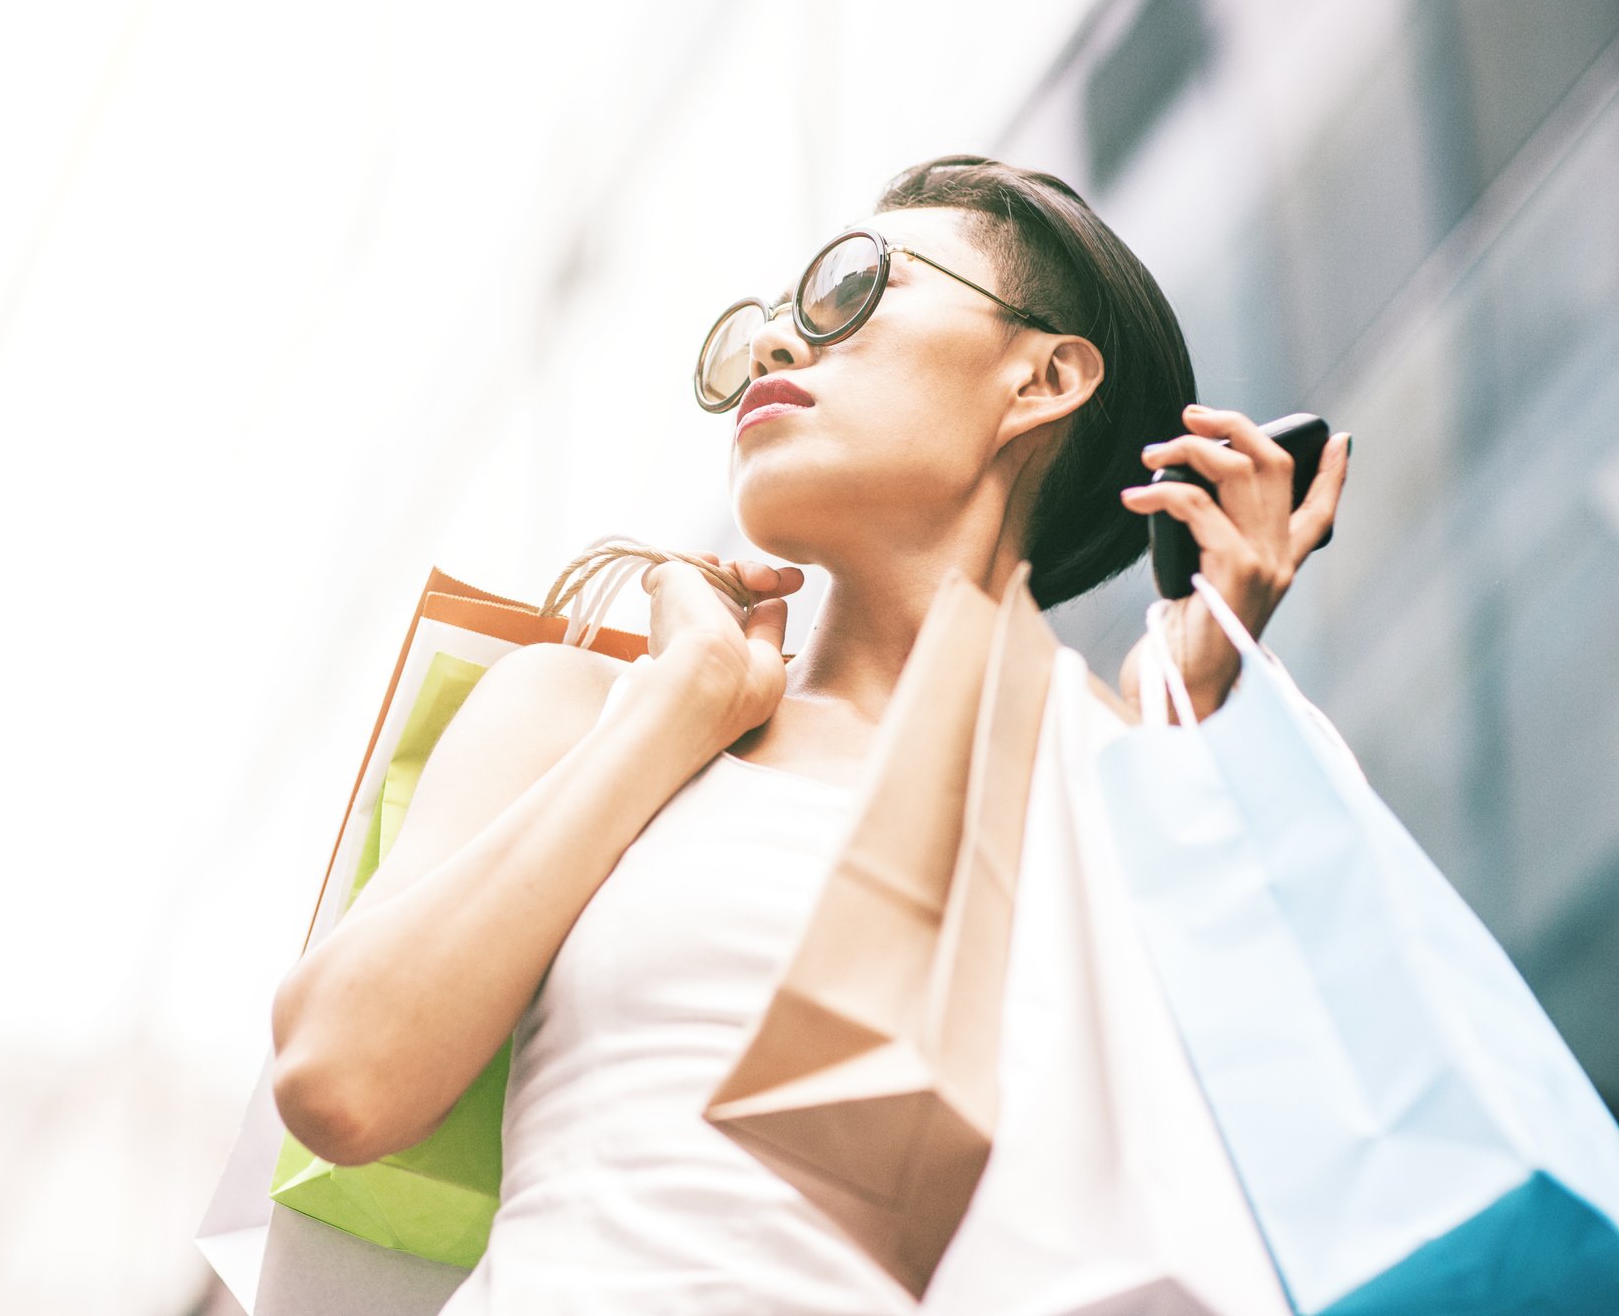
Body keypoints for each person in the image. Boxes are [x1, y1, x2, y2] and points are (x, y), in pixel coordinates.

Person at [267, 155, 1353, 1313]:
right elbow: (341, 1077)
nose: (779, 345)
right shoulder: (586, 706)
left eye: (852, 289)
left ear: (1040, 378)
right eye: (769, 324)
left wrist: (1187, 746)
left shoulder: (1140, 779)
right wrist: (684, 704)